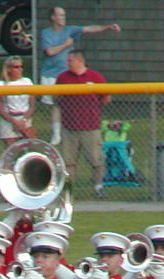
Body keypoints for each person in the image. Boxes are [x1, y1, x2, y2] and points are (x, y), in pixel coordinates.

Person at [39, 7, 120, 144]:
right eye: (60, 15)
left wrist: (107, 27)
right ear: (53, 17)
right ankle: (57, 134)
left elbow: (89, 29)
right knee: (54, 105)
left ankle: (67, 131)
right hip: (50, 74)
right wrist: (66, 45)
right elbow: (50, 52)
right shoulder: (46, 33)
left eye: (64, 15)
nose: (63, 18)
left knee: (68, 103)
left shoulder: (70, 30)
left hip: (66, 74)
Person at [56, 50, 110, 198]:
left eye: (70, 61)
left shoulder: (95, 77)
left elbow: (106, 98)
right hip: (69, 127)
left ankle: (98, 187)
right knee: (69, 161)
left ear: (79, 61)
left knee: (95, 160)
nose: (68, 64)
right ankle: (68, 190)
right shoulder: (63, 77)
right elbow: (57, 98)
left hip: (90, 127)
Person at [0, 56, 34, 147]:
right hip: (9, 118)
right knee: (11, 151)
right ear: (9, 69)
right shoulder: (0, 84)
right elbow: (0, 108)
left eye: (21, 66)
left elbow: (32, 105)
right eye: (16, 67)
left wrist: (23, 121)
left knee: (30, 147)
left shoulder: (27, 81)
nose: (20, 69)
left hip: (25, 118)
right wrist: (14, 122)